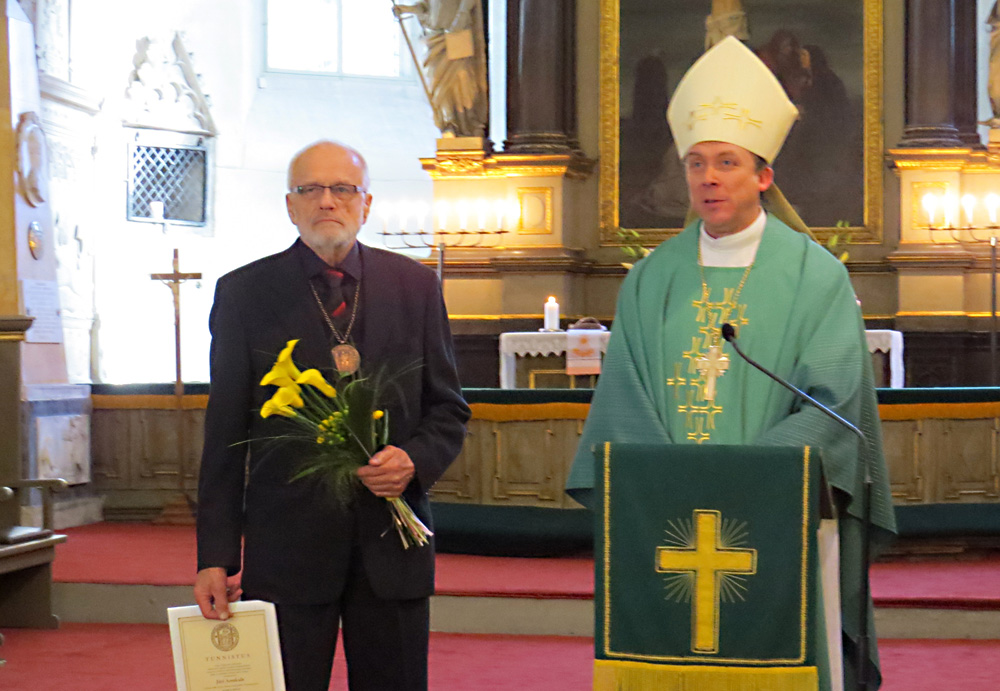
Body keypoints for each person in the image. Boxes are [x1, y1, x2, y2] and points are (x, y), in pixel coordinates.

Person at [567, 37, 895, 689]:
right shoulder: (651, 279)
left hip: (782, 517)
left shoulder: (816, 278)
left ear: (763, 176)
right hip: (667, 523)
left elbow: (834, 406)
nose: (708, 178)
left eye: (726, 162)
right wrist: (676, 485)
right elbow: (623, 401)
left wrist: (749, 481)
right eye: (696, 164)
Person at [194, 140, 470, 691]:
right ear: (290, 205)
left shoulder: (414, 286)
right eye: (310, 189)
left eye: (343, 188)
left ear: (366, 204)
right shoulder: (244, 293)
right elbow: (226, 433)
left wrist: (413, 461)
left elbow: (447, 409)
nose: (327, 201)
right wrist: (215, 556)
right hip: (288, 546)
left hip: (391, 548)